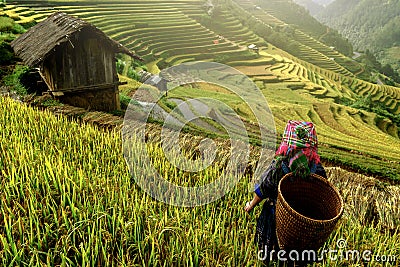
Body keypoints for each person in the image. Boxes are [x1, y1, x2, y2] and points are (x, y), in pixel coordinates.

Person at [244, 120, 327, 264]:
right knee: (297, 258)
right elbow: (323, 192)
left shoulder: (279, 166)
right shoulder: (317, 169)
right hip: (304, 222)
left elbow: (264, 187)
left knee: (271, 255)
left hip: (278, 217)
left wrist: (251, 205)